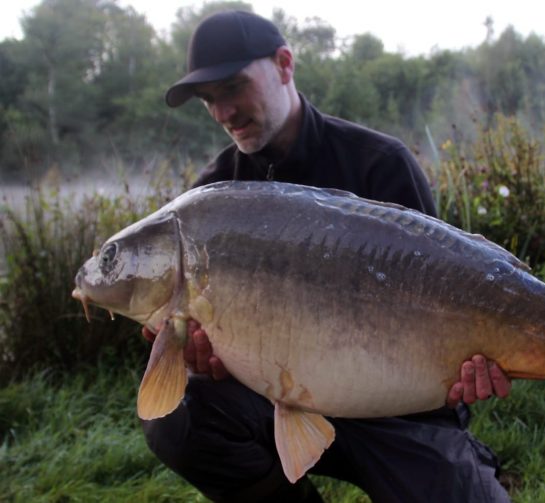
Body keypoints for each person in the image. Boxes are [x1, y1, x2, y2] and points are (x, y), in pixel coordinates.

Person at [142, 10, 512, 502]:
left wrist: (474, 363)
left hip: (400, 414)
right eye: (209, 100)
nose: (223, 112)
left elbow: (452, 297)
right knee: (179, 418)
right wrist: (207, 359)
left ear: (284, 65)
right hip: (276, 400)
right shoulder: (212, 201)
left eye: (233, 87)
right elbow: (212, 355)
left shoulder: (380, 163)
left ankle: (466, 467)